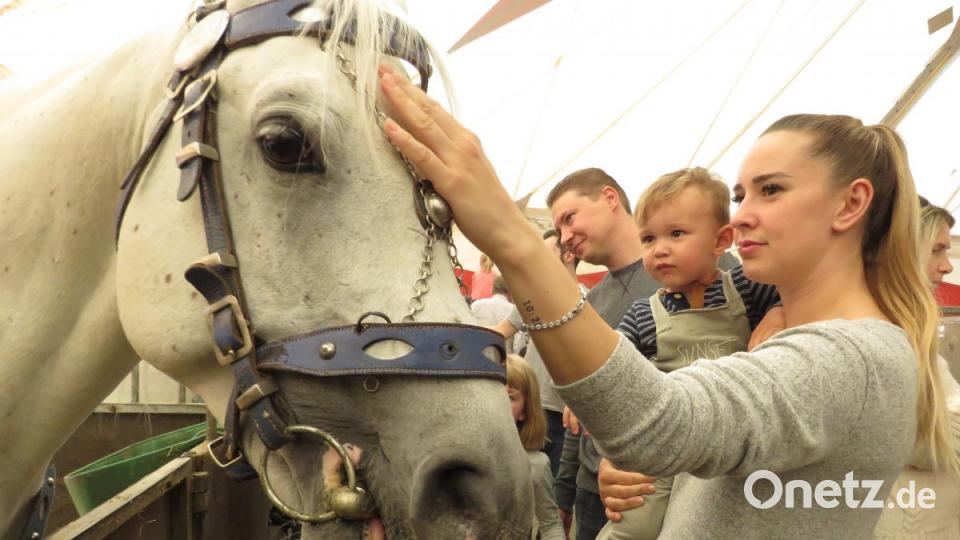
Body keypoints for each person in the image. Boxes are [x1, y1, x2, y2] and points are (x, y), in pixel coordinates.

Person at [377, 69, 954, 537]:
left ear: (850, 204)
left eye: (772, 189)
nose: (744, 212)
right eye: (740, 193)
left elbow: (660, 422)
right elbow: (738, 477)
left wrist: (513, 239)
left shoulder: (850, 356)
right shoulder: (807, 337)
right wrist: (660, 477)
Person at [598, 167, 783, 540]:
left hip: (728, 444)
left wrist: (777, 314)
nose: (659, 249)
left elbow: (796, 293)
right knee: (636, 522)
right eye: (648, 239)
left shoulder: (747, 289)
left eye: (676, 234)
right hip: (665, 445)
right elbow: (614, 364)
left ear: (721, 240)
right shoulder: (643, 313)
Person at [874, 198, 960, 539]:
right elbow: (925, 440)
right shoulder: (886, 334)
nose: (947, 266)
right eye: (938, 250)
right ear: (905, 251)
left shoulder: (912, 330)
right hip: (910, 525)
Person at [492, 228, 581, 478]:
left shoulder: (589, 301)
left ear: (568, 256)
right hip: (529, 406)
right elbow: (499, 332)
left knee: (550, 487)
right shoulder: (533, 297)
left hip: (564, 413)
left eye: (546, 252)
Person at [507, 354, 566, 540]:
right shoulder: (462, 458)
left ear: (525, 410)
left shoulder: (536, 465)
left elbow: (550, 524)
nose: (497, 403)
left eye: (509, 396)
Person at [471, 276, 518, 351]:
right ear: (509, 290)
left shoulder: (477, 304)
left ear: (492, 288)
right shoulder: (514, 309)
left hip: (477, 350)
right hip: (505, 356)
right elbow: (517, 343)